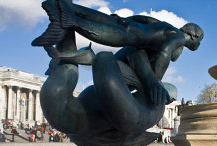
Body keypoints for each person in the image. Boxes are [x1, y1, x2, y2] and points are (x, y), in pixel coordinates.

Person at [32, 0, 204, 84]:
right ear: (193, 36)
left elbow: (145, 19)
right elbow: (166, 51)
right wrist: (155, 82)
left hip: (129, 25)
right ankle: (65, 21)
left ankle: (60, 5)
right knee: (75, 23)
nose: (198, 46)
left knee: (85, 14)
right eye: (200, 41)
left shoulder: (168, 27)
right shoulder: (179, 38)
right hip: (132, 37)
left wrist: (123, 19)